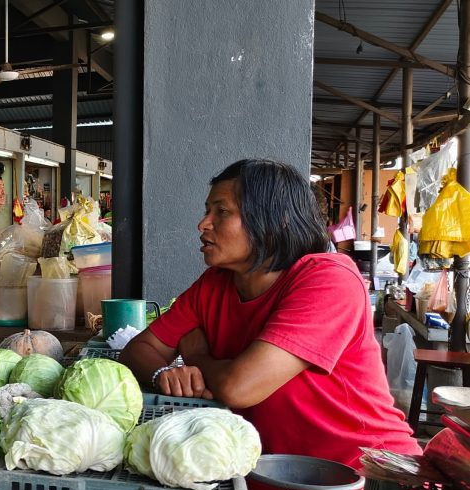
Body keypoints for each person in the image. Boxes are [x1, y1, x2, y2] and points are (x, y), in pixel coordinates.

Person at [119, 159, 421, 468]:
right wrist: (162, 374)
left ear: (278, 220)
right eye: (207, 211)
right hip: (274, 473)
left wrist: (196, 357)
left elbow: (239, 388)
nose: (203, 224)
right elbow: (138, 349)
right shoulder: (214, 284)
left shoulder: (329, 279)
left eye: (222, 212)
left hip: (365, 474)